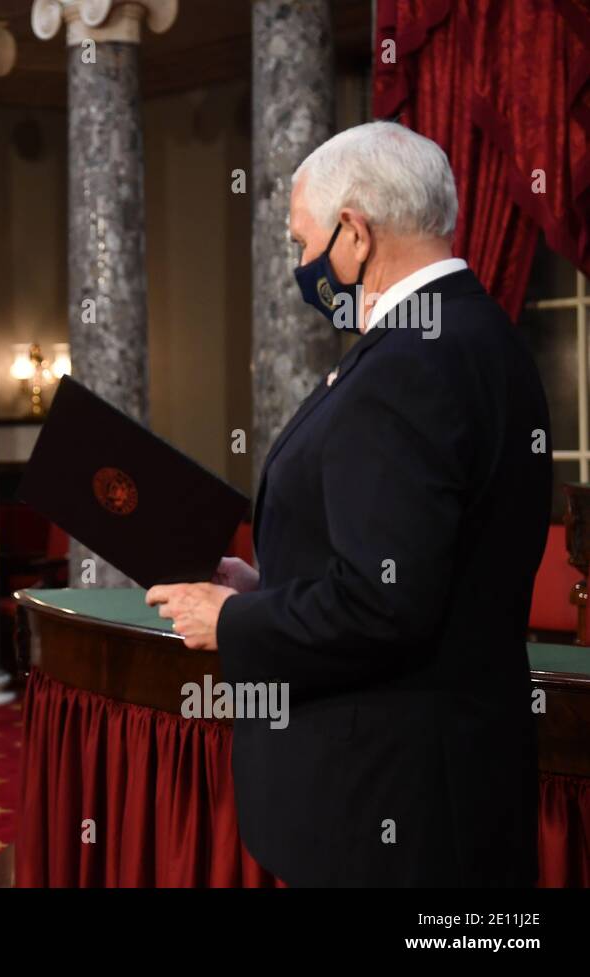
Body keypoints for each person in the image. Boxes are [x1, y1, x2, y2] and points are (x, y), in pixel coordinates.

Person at [147, 121, 551, 886]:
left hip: (390, 799)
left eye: (304, 243)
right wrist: (270, 589)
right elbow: (416, 565)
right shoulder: (483, 333)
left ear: (356, 233)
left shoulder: (409, 362)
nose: (302, 266)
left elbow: (384, 603)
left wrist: (231, 618)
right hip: (455, 775)